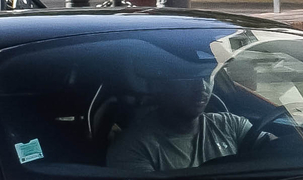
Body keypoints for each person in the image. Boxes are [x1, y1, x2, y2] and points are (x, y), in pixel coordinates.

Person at [105, 63, 253, 174]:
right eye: (190, 78)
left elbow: (272, 147)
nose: (202, 87)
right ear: (164, 85)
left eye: (208, 76)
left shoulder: (231, 125)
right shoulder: (132, 148)